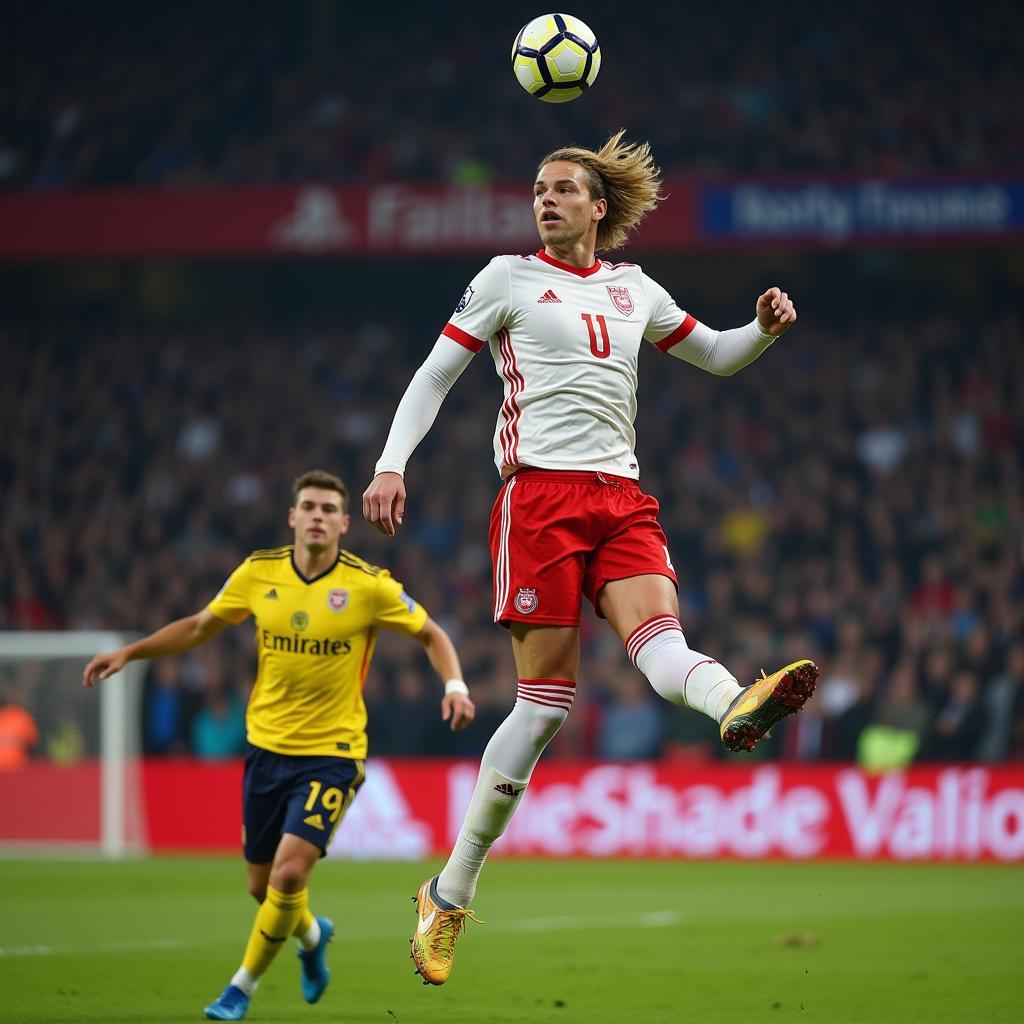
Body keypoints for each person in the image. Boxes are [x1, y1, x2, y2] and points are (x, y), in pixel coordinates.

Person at [362, 131, 819, 986]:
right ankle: (448, 892)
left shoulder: (634, 288)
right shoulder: (506, 278)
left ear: (598, 208)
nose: (547, 198)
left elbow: (715, 355)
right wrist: (392, 464)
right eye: (539, 187)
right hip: (538, 501)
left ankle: (737, 705)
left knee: (662, 648)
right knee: (541, 711)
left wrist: (759, 329)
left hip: (620, 497)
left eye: (565, 189)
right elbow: (432, 378)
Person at [83, 469, 475, 1020]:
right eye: (308, 506)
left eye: (327, 508)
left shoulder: (368, 586)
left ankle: (240, 987)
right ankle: (313, 937)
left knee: (290, 876)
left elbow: (432, 633)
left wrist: (454, 684)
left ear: (344, 521)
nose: (317, 516)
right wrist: (131, 653)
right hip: (266, 748)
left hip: (333, 753)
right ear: (292, 517)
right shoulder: (257, 573)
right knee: (261, 886)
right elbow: (199, 627)